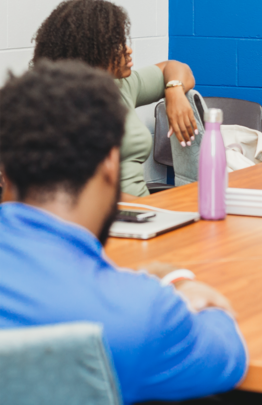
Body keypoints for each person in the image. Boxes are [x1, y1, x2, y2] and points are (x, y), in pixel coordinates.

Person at [0, 61, 248, 404]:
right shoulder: (141, 312)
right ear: (110, 164)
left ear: (6, 171)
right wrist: (180, 281)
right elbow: (229, 354)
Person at [32, 0, 198, 197]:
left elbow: (177, 68)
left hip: (142, 214)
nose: (128, 50)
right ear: (90, 51)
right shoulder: (58, 107)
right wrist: (146, 208)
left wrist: (174, 90)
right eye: (116, 45)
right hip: (104, 218)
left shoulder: (120, 85)